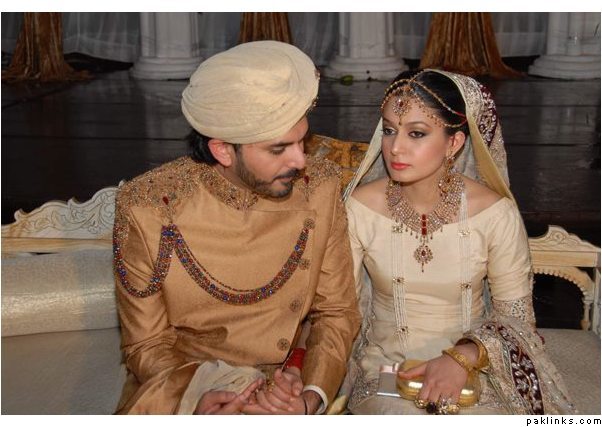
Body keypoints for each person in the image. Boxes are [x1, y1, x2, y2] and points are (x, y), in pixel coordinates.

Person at [112, 40, 361, 415]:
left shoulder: (319, 187)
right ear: (223, 151)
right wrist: (198, 396)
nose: (301, 161)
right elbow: (145, 345)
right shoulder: (149, 208)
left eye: (302, 141)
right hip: (183, 384)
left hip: (287, 387)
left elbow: (337, 312)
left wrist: (309, 398)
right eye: (279, 149)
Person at [341, 69, 576, 415]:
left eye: (416, 133)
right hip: (388, 371)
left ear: (454, 143)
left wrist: (463, 357)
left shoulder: (494, 213)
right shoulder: (361, 207)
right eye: (389, 130)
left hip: (474, 368)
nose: (395, 148)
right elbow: (339, 310)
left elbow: (517, 320)